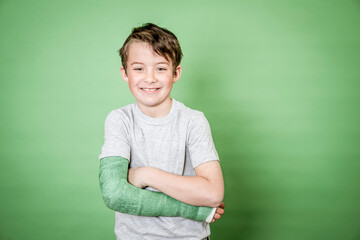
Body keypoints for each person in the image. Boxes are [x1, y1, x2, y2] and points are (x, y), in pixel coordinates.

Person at [99, 23, 225, 240]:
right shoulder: (119, 120)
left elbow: (213, 193)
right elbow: (114, 194)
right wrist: (196, 210)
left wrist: (145, 174)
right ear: (125, 73)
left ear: (176, 73)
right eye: (139, 68)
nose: (150, 78)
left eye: (160, 68)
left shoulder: (193, 121)